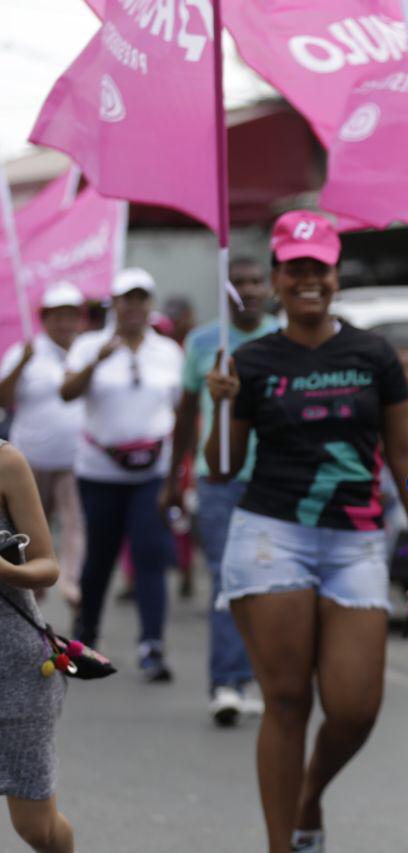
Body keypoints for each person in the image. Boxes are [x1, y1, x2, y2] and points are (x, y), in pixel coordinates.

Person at [204, 211, 408, 853]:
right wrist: (215, 401)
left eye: (318, 268)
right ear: (274, 279)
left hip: (355, 541)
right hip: (273, 536)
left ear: (335, 276)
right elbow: (220, 466)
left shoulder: (372, 353)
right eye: (294, 269)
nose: (307, 280)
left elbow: (404, 454)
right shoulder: (250, 358)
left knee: (355, 708)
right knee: (289, 700)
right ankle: (284, 841)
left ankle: (309, 793)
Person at [163, 256, 276, 726]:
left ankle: (262, 679)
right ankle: (227, 682)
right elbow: (187, 414)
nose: (247, 290)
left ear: (267, 287)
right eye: (239, 282)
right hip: (220, 480)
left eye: (255, 282)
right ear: (225, 289)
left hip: (275, 478)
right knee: (227, 580)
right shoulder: (205, 341)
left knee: (270, 584)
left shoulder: (282, 337)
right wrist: (174, 480)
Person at [61, 268, 184, 682]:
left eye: (141, 299)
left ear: (150, 304)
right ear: (113, 304)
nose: (134, 307)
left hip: (152, 473)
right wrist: (97, 361)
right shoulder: (88, 345)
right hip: (100, 473)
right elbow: (67, 393)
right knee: (100, 557)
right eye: (126, 299)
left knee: (150, 553)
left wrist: (183, 474)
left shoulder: (167, 351)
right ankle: (86, 635)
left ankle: (152, 645)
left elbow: (183, 410)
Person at [0, 439, 75, 852]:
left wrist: (7, 570)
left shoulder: (6, 461)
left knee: (37, 829)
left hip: (14, 668)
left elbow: (47, 565)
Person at [0, 282, 87, 606]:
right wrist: (22, 362)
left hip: (74, 459)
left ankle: (72, 583)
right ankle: (32, 595)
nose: (65, 324)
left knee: (75, 523)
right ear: (44, 319)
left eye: (71, 316)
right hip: (30, 461)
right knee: (32, 530)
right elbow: (2, 399)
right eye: (57, 317)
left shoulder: (86, 350)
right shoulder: (25, 351)